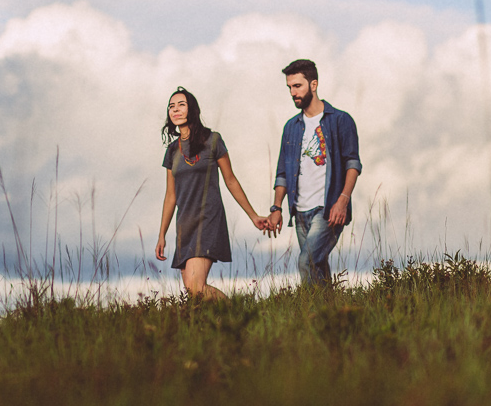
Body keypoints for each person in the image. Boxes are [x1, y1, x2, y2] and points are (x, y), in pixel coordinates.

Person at [155, 87, 270, 299]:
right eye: (171, 106)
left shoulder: (212, 140)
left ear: (192, 110)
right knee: (193, 292)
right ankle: (220, 326)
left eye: (181, 104)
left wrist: (253, 216)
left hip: (208, 218)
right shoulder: (172, 151)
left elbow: (231, 180)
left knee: (196, 288)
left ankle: (236, 314)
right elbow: (170, 196)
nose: (176, 110)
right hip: (185, 224)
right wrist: (162, 234)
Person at [263, 59, 363, 285]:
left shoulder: (340, 120)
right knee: (318, 266)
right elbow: (282, 173)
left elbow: (353, 164)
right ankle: (329, 315)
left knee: (306, 261)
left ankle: (309, 314)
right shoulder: (291, 127)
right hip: (299, 211)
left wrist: (343, 201)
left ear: (314, 84)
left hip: (327, 209)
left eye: (297, 86)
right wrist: (277, 208)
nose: (293, 93)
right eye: (289, 87)